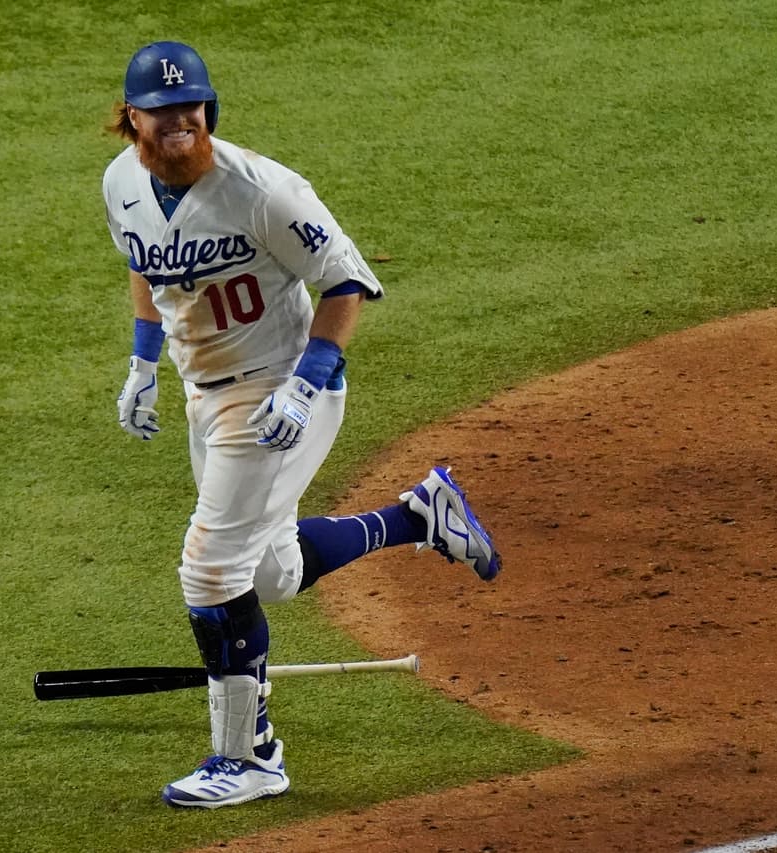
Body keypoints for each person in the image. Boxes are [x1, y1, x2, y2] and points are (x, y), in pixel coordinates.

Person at [103, 41, 502, 809]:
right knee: (271, 574)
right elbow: (144, 263)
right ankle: (419, 515)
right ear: (133, 118)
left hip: (281, 392)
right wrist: (142, 362)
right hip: (205, 394)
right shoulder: (121, 182)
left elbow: (347, 280)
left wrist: (304, 384)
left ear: (209, 108)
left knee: (209, 570)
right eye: (162, 110)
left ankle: (249, 757)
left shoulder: (265, 191)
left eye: (191, 106)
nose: (180, 120)